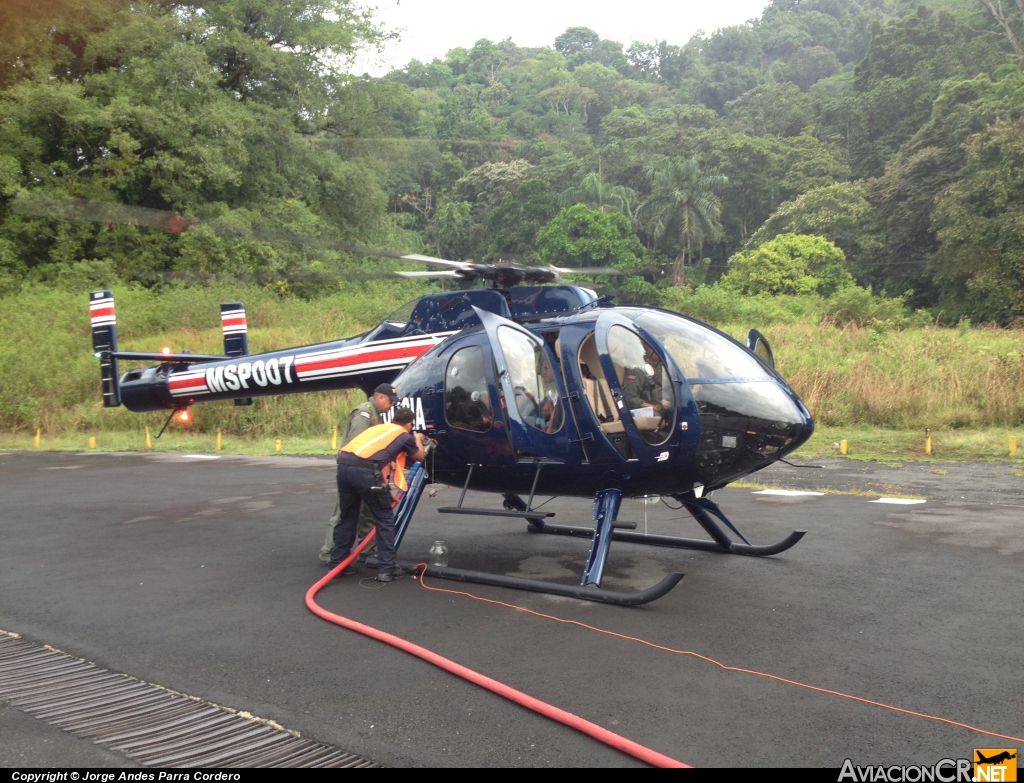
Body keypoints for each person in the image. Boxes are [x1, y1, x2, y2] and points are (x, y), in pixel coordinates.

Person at [329, 407, 427, 582]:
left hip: (343, 466)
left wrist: (386, 493)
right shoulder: (403, 434)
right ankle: (387, 569)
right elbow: (419, 457)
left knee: (348, 516)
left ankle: (337, 564)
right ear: (409, 424)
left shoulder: (378, 428)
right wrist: (418, 439)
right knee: (385, 518)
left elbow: (374, 457)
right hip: (364, 471)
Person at [318, 383, 398, 565]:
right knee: (344, 513)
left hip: (365, 471)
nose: (391, 406)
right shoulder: (366, 414)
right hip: (355, 470)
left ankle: (367, 551)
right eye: (391, 402)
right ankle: (330, 552)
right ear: (381, 398)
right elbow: (356, 445)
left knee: (368, 512)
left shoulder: (376, 416)